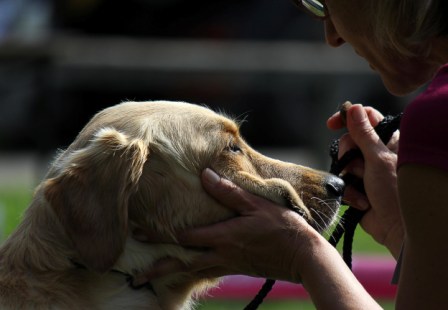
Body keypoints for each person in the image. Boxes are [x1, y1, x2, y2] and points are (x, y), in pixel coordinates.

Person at [133, 0, 448, 308]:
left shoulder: (437, 117)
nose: (332, 36)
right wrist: (399, 228)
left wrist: (305, 255)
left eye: (327, 4)